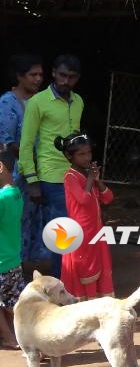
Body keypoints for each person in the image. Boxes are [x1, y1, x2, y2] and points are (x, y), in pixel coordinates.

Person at [18, 54, 84, 277]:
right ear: (54, 73)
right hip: (51, 176)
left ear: (77, 78)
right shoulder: (38, 102)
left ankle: (69, 279)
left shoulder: (79, 101)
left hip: (75, 175)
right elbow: (26, 143)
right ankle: (60, 280)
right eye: (62, 75)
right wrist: (32, 180)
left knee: (76, 227)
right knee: (62, 231)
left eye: (71, 77)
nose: (66, 81)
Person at [0, 54, 49, 264]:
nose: (38, 79)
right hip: (16, 171)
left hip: (39, 170)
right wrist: (31, 165)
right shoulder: (8, 102)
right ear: (19, 76)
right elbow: (8, 141)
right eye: (32, 74)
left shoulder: (42, 101)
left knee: (33, 218)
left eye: (40, 74)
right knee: (14, 219)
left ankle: (23, 267)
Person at [56, 132, 114, 298]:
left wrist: (97, 180)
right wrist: (90, 179)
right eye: (81, 154)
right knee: (86, 269)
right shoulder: (70, 176)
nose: (87, 157)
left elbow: (108, 198)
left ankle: (97, 305)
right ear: (69, 156)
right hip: (81, 233)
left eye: (89, 153)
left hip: (95, 230)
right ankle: (86, 306)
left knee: (99, 267)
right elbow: (83, 199)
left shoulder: (88, 174)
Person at [0, 149, 24, 349]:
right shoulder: (16, 194)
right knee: (13, 303)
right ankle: (30, 338)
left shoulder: (2, 199)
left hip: (1, 261)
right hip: (13, 259)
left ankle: (9, 338)